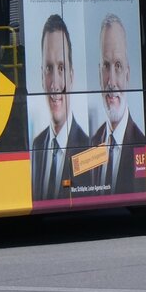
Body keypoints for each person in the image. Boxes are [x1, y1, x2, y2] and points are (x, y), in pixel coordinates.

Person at [30, 14, 87, 200]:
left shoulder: (89, 147)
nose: (55, 84)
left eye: (61, 68)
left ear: (71, 75)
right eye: (48, 68)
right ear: (41, 76)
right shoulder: (37, 145)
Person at [90, 13, 146, 195]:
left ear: (128, 74)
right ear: (99, 74)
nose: (112, 81)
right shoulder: (92, 143)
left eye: (118, 66)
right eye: (106, 66)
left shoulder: (142, 142)